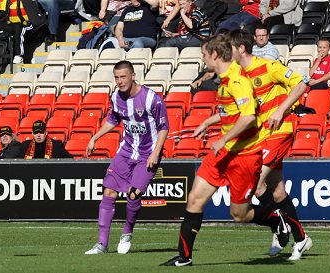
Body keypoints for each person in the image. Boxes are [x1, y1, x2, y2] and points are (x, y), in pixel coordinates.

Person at [161, 34, 290, 267]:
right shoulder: (224, 79)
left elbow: (249, 116)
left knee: (239, 215)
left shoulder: (237, 80)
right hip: (222, 154)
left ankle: (274, 220)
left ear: (214, 55)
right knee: (194, 199)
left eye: (203, 54)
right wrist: (207, 123)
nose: (202, 59)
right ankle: (184, 257)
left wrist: (223, 139)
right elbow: (230, 111)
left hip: (244, 156)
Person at [230, 29, 312, 261]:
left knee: (254, 183)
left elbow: (300, 85)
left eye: (231, 48)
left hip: (280, 131)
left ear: (241, 48)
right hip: (261, 135)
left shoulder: (268, 66)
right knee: (277, 192)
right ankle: (300, 237)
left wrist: (280, 109)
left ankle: (278, 225)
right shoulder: (238, 75)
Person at [84, 60, 169, 255]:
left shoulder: (151, 98)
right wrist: (94, 138)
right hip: (125, 152)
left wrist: (156, 153)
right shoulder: (116, 97)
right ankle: (101, 244)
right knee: (108, 193)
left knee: (133, 194)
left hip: (148, 154)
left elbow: (164, 127)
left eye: (123, 77)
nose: (120, 81)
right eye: (116, 77)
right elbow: (112, 120)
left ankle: (127, 231)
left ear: (133, 75)